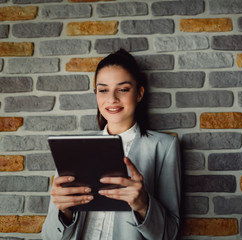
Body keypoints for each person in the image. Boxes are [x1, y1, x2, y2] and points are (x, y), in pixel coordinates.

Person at [42, 49, 181, 240]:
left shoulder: (164, 147)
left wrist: (143, 205)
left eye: (123, 89)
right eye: (103, 90)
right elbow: (49, 236)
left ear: (139, 93)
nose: (112, 99)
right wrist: (64, 213)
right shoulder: (74, 148)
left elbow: (170, 233)